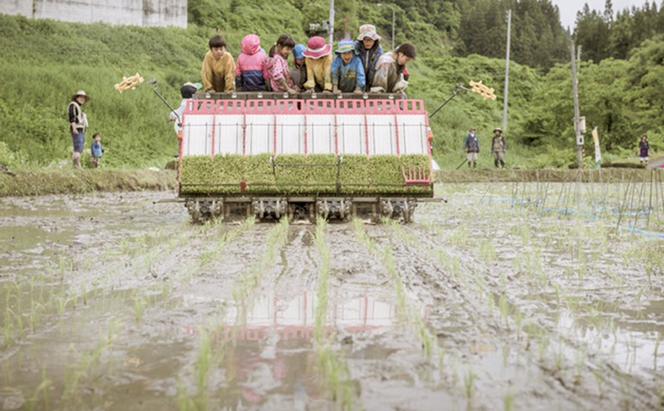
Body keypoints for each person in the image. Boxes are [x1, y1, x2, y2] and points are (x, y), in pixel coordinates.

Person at [354, 24, 383, 92]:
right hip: (357, 80)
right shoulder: (355, 47)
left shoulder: (378, 50)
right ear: (362, 40)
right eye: (365, 39)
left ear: (374, 40)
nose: (368, 42)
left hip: (372, 79)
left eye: (370, 40)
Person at [67, 90, 89, 168]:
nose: (82, 99)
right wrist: (74, 128)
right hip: (77, 129)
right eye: (81, 97)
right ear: (77, 97)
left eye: (83, 98)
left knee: (80, 148)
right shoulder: (73, 105)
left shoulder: (78, 107)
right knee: (78, 147)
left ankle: (76, 165)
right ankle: (76, 165)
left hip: (81, 129)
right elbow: (72, 118)